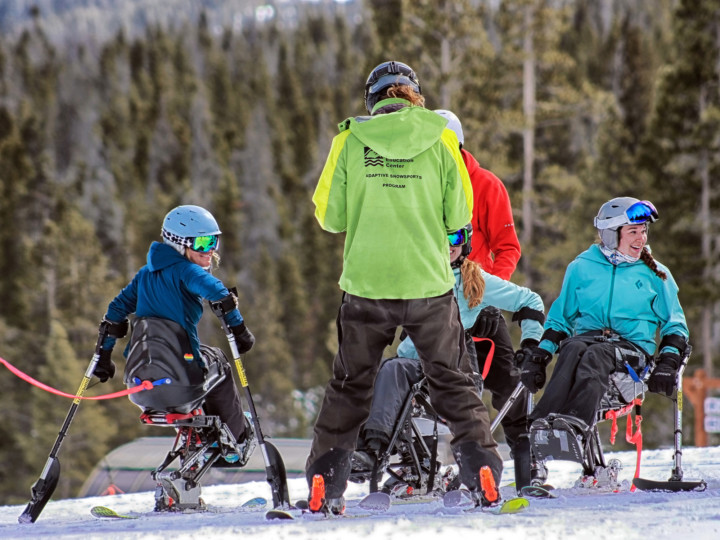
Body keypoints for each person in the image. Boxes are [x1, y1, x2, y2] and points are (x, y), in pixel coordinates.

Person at [308, 60, 502, 513]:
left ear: (373, 99)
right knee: (452, 382)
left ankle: (325, 483)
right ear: (413, 94)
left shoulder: (350, 140)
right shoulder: (441, 139)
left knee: (350, 385)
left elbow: (329, 217)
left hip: (367, 284)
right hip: (428, 284)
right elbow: (459, 216)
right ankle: (483, 473)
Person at [353, 224, 544, 492]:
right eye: (439, 236)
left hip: (455, 365)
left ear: (465, 242)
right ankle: (373, 453)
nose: (448, 244)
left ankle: (479, 472)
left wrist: (530, 343)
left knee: (416, 372)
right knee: (390, 371)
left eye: (455, 237)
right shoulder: (412, 276)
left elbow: (530, 301)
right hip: (415, 362)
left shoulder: (473, 279)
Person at [519, 197, 689, 448]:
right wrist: (540, 355)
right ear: (611, 234)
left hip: (633, 353)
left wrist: (669, 360)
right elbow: (560, 318)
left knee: (596, 353)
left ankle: (575, 424)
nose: (641, 238)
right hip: (587, 341)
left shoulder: (656, 274)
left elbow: (675, 324)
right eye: (633, 232)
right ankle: (542, 424)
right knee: (573, 347)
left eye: (643, 231)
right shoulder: (581, 267)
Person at [94, 205, 257, 463]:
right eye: (203, 243)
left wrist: (103, 357)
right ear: (180, 244)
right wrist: (239, 330)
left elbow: (115, 311)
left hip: (139, 386)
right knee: (219, 363)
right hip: (182, 381)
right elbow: (219, 293)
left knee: (201, 358)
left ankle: (201, 438)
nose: (211, 249)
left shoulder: (145, 274)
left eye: (214, 241)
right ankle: (237, 438)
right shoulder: (186, 270)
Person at [434, 109, 538, 486]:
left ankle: (529, 467)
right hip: (431, 302)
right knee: (411, 376)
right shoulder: (422, 184)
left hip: (479, 303)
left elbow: (508, 247)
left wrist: (488, 288)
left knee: (509, 384)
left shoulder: (486, 184)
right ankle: (414, 466)